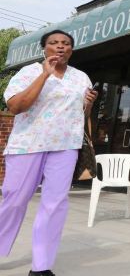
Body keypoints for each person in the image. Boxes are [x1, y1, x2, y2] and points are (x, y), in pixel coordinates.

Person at [0, 30, 98, 276]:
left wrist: (89, 104)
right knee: (14, 200)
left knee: (54, 204)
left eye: (66, 44)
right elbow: (16, 106)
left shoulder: (81, 77)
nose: (60, 47)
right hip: (28, 145)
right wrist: (45, 74)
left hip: (65, 146)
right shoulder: (29, 72)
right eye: (54, 43)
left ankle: (41, 266)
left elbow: (81, 116)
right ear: (44, 48)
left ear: (71, 50)